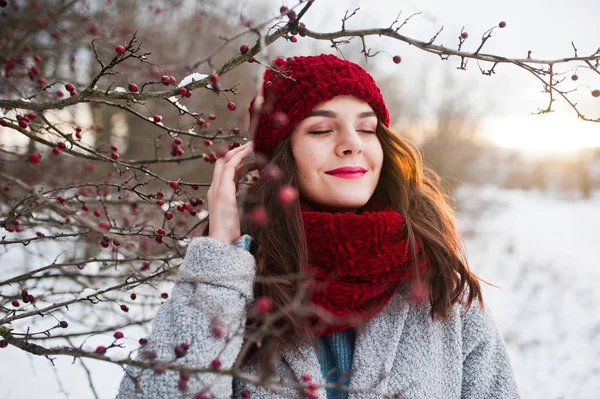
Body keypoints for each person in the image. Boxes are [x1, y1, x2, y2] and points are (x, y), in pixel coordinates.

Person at [116, 53, 519, 399]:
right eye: (322, 129)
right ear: (280, 156)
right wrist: (218, 263)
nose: (352, 143)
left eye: (366, 128)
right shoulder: (234, 283)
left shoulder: (439, 290)